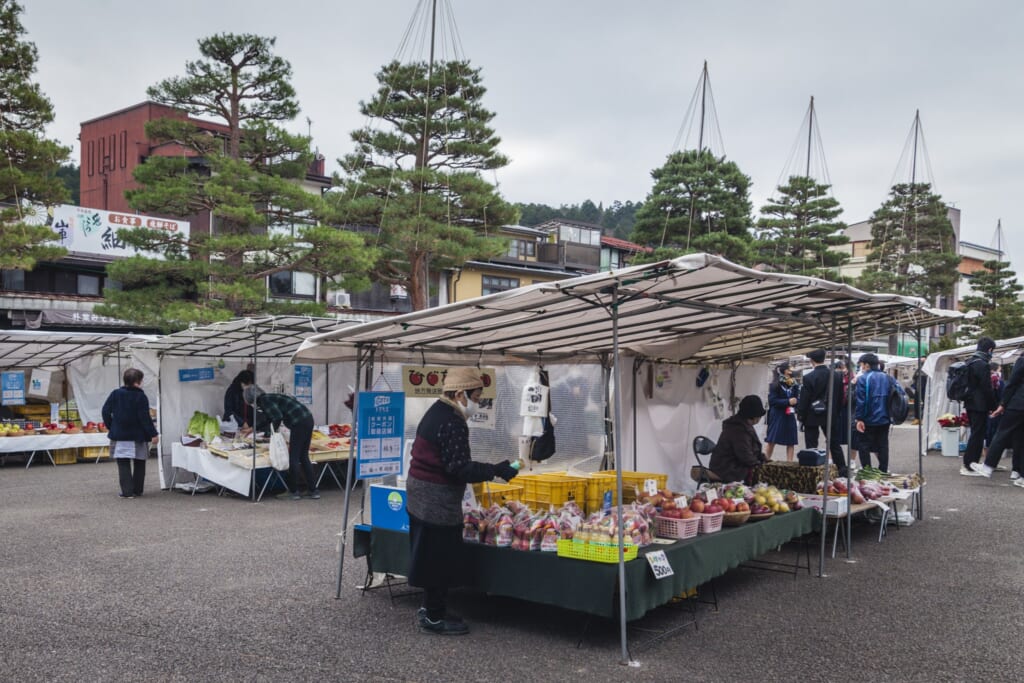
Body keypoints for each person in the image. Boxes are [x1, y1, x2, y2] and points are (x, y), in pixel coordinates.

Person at [406, 367, 519, 636]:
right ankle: (434, 617)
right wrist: (497, 470)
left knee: (429, 553)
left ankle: (431, 608)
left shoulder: (436, 411)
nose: (478, 403)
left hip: (420, 492)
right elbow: (459, 468)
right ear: (460, 394)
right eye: (476, 396)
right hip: (435, 498)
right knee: (438, 556)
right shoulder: (451, 421)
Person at [241, 385, 319, 500]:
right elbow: (269, 418)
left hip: (299, 423)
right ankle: (313, 490)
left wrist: (271, 433)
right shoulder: (268, 398)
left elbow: (276, 417)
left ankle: (293, 491)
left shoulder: (265, 400)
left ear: (251, 399)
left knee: (294, 458)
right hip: (307, 419)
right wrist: (253, 428)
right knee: (303, 456)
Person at [102, 367, 159, 499]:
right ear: (138, 381)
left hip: (120, 434)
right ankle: (137, 490)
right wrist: (153, 434)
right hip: (138, 435)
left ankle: (127, 492)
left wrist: (112, 426)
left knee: (123, 462)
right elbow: (144, 418)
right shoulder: (141, 396)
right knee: (139, 462)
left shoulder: (115, 393)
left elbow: (105, 411)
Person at [969, 355, 1024, 485]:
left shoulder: (1022, 360)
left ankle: (988, 466)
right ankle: (1020, 474)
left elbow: (1012, 383)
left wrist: (1003, 404)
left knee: (1002, 433)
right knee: (1021, 439)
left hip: (1018, 403)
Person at [797, 349, 847, 476]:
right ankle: (842, 470)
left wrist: (801, 416)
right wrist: (837, 412)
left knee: (812, 445)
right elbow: (841, 397)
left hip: (812, 414)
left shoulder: (808, 377)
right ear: (825, 358)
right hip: (831, 414)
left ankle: (812, 472)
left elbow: (804, 399)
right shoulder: (836, 375)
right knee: (834, 444)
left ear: (811, 360)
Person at [960, 337, 997, 477]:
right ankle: (970, 463)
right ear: (990, 349)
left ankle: (970, 462)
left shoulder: (970, 361)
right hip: (980, 404)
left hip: (970, 402)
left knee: (975, 432)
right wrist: (993, 405)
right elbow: (987, 388)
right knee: (978, 434)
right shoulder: (983, 364)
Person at [708, 395, 767, 484]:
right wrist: (760, 464)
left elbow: (751, 450)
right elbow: (745, 456)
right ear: (754, 416)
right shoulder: (738, 429)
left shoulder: (743, 425)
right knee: (762, 474)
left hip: (732, 463)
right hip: (727, 467)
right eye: (759, 416)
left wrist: (762, 458)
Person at [854, 353, 891, 472]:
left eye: (862, 365)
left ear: (867, 365)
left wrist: (859, 418)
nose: (861, 367)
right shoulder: (888, 378)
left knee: (864, 446)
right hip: (885, 418)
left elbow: (861, 401)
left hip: (868, 419)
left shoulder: (863, 379)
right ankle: (883, 470)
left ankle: (867, 471)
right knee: (883, 445)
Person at [765, 362, 799, 461]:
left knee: (791, 441)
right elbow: (772, 401)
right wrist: (787, 401)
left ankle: (789, 464)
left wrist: (796, 402)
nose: (792, 370)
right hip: (777, 415)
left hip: (790, 415)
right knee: (772, 439)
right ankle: (765, 461)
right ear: (785, 370)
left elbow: (797, 398)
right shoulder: (775, 384)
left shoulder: (794, 384)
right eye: (790, 368)